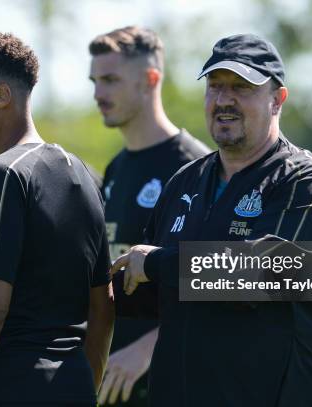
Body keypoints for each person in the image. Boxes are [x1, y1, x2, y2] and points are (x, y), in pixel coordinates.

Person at [111, 34, 312, 406]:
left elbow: (263, 273)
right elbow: (147, 295)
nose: (224, 100)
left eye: (241, 87)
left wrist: (157, 263)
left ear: (277, 99)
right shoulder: (183, 184)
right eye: (215, 86)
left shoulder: (306, 181)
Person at [0, 32, 114, 407]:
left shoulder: (0, 176)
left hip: (5, 390)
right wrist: (84, 388)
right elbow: (103, 306)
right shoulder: (81, 174)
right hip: (73, 388)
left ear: (1, 97)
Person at [88, 26, 210, 406]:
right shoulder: (115, 170)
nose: (98, 94)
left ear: (150, 80)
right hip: (115, 383)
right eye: (94, 81)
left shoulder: (196, 168)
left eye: (110, 80)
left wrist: (147, 348)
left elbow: (217, 284)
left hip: (174, 380)